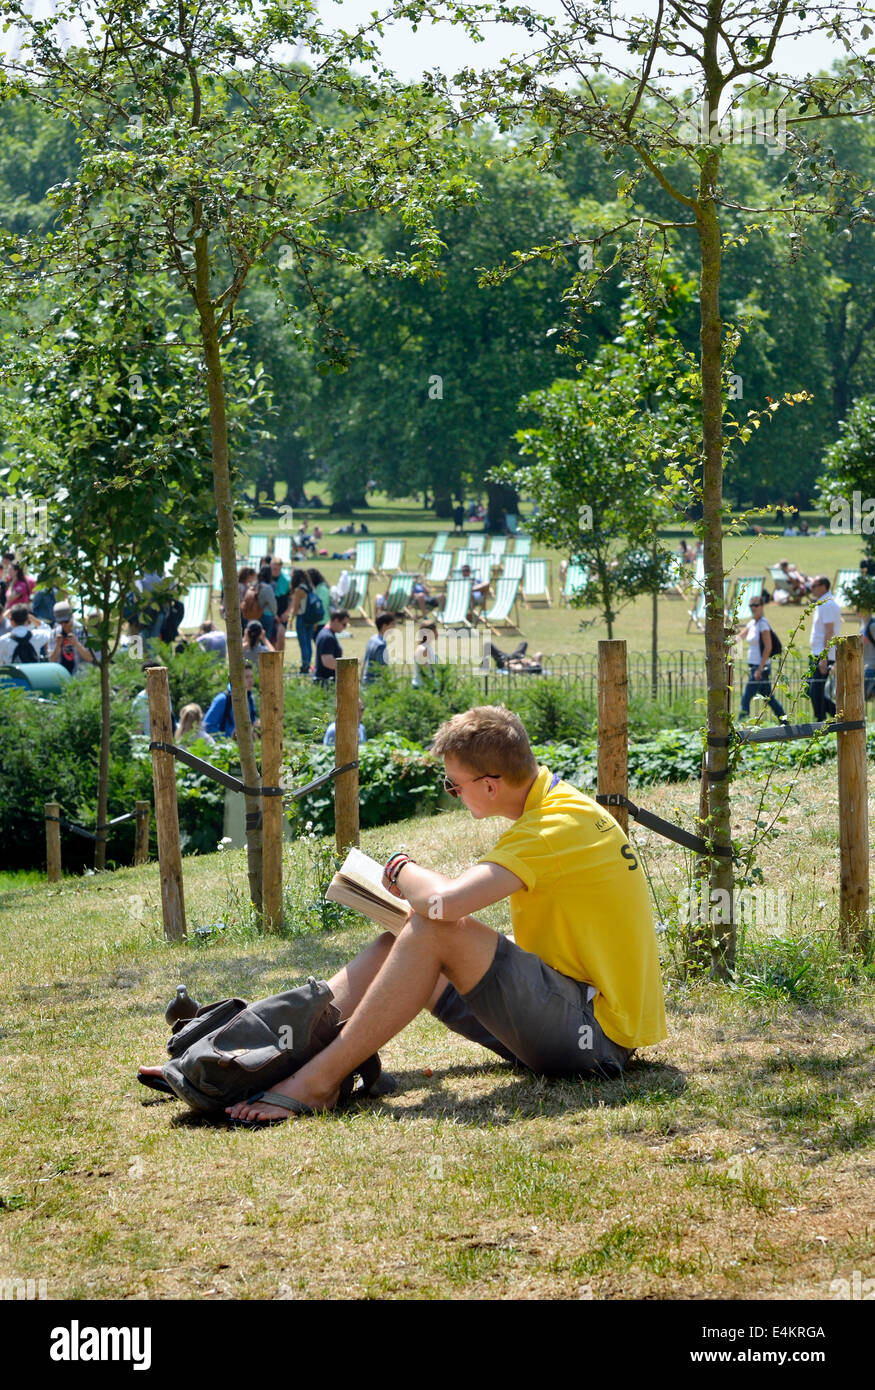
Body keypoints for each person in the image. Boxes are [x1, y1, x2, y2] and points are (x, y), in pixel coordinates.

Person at [188, 705, 665, 1123]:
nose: (452, 794)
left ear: (491, 786)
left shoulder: (552, 828)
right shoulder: (558, 808)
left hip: (593, 1040)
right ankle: (244, 1053)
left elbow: (446, 904)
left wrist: (399, 867)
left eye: (453, 785)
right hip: (566, 1014)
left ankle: (317, 1082)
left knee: (433, 929)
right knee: (400, 939)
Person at [737, 595, 786, 722]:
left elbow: (768, 647)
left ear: (762, 606)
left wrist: (760, 668)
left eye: (756, 605)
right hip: (754, 666)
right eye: (751, 605)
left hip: (760, 669)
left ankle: (741, 727)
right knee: (769, 698)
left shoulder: (763, 624)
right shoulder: (752, 623)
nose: (753, 608)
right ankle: (785, 722)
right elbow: (739, 637)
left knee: (746, 698)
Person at [807, 575, 842, 721]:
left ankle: (820, 722)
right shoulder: (823, 603)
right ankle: (837, 716)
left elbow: (829, 632)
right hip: (817, 653)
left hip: (822, 655)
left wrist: (824, 657)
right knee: (812, 690)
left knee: (815, 691)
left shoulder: (827, 604)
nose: (811, 588)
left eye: (814, 585)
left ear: (823, 586)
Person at [202, 662, 258, 739]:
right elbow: (207, 726)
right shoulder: (222, 699)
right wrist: (227, 740)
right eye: (246, 677)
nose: (250, 680)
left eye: (252, 677)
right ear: (237, 679)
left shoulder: (250, 698)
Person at [288, 567, 323, 675]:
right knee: (308, 643)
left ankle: (305, 666)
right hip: (311, 618)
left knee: (303, 643)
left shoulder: (299, 590)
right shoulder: (310, 587)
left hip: (302, 618)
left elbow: (295, 607)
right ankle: (307, 664)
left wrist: (291, 620)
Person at [48, 601, 95, 677]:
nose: (63, 624)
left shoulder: (83, 632)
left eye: (66, 621)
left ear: (71, 616)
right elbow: (52, 661)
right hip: (61, 677)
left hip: (81, 677)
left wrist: (76, 644)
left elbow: (90, 658)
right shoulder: (54, 633)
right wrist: (57, 645)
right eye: (60, 622)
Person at [313, 608, 350, 681]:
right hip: (326, 682)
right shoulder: (327, 637)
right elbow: (328, 662)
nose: (344, 628)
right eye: (344, 624)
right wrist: (349, 665)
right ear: (336, 621)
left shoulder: (327, 633)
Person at [361, 611, 395, 683]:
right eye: (392, 624)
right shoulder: (381, 645)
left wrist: (361, 679)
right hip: (374, 685)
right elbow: (382, 669)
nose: (394, 627)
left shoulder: (372, 639)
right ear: (384, 626)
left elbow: (365, 662)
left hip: (366, 681)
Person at [269, 557, 291, 654]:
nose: (275, 571)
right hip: (269, 612)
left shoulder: (287, 580)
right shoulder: (266, 577)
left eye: (277, 569)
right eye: (273, 569)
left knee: (281, 634)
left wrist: (287, 613)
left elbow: (292, 599)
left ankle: (280, 658)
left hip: (282, 613)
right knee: (271, 638)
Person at [306, 567, 332, 637]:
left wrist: (315, 622)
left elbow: (321, 606)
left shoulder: (321, 589)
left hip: (321, 622)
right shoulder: (318, 588)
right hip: (321, 620)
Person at [859, 604, 875, 701]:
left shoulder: (872, 626)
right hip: (864, 666)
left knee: (861, 697)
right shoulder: (862, 625)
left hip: (872, 667)